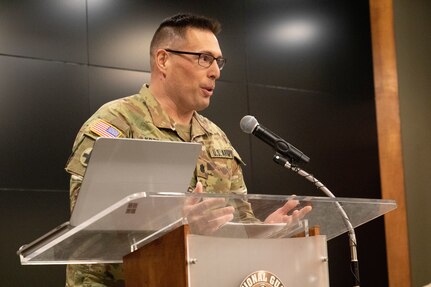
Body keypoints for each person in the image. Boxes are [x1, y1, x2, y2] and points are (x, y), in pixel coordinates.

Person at [64, 13, 310, 287]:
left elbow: (238, 222)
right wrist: (179, 227)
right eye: (204, 58)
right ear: (163, 60)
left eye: (218, 61)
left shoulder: (216, 138)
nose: (215, 71)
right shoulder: (115, 124)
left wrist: (263, 230)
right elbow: (89, 231)